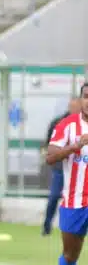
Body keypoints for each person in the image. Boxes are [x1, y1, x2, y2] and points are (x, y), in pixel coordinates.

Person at [46, 84, 88, 265]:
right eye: (86, 96)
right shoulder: (67, 126)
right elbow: (50, 157)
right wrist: (74, 147)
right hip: (74, 200)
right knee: (71, 254)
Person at [42, 97, 82, 236]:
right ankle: (46, 226)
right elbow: (49, 145)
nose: (74, 109)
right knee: (54, 197)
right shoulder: (59, 123)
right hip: (61, 169)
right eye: (72, 106)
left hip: (81, 170)